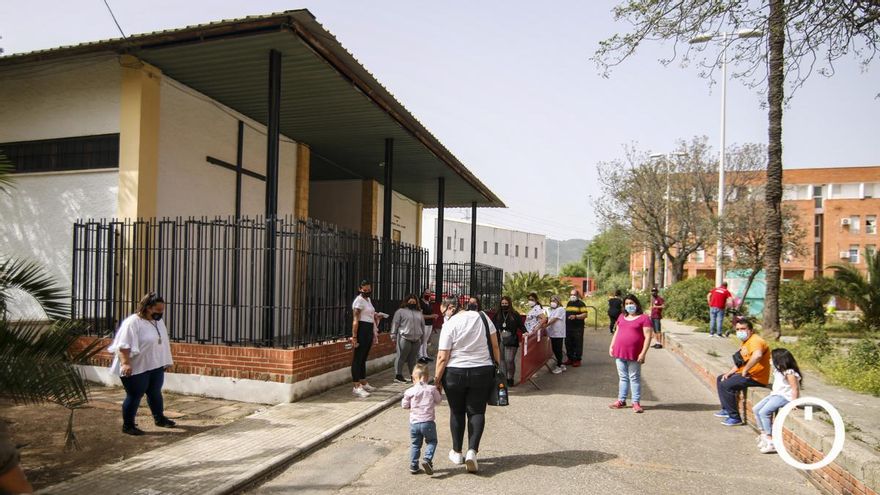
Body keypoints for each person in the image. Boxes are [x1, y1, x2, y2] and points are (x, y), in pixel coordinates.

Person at [434, 295, 501, 473]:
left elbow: (442, 357)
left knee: (456, 411)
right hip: (482, 371)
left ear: (450, 308)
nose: (444, 316)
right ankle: (472, 451)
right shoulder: (483, 317)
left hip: (455, 373)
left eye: (443, 312)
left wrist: (436, 380)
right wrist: (497, 366)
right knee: (477, 411)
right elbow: (495, 345)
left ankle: (457, 452)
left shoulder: (450, 324)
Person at [107, 292, 176, 435]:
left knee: (155, 393)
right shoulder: (132, 322)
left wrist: (165, 360)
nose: (160, 313)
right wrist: (126, 363)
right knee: (135, 395)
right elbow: (123, 345)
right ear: (148, 307)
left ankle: (159, 418)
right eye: (158, 310)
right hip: (136, 367)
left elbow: (161, 341)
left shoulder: (157, 321)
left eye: (162, 310)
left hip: (154, 365)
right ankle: (128, 425)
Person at [714, 319, 771, 426]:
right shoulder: (745, 342)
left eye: (743, 329)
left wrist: (746, 369)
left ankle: (735, 417)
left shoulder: (756, 340)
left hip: (756, 377)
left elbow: (757, 355)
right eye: (738, 329)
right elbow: (740, 361)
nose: (740, 331)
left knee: (726, 385)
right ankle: (726, 409)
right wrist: (729, 372)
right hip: (746, 374)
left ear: (751, 330)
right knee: (721, 378)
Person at [608, 294, 653, 413]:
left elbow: (648, 337)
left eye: (631, 303)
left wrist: (643, 353)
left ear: (636, 304)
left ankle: (636, 402)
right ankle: (621, 400)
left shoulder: (644, 318)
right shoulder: (622, 317)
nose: (629, 306)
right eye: (627, 304)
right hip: (619, 352)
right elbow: (617, 332)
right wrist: (612, 345)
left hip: (634, 353)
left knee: (634, 378)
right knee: (623, 377)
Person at [753, 348, 802, 454]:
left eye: (772, 358)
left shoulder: (789, 372)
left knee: (764, 412)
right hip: (775, 395)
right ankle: (764, 434)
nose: (770, 360)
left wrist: (794, 402)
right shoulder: (778, 370)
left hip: (784, 397)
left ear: (779, 359)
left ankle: (771, 441)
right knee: (756, 409)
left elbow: (795, 388)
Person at [402, 362, 442, 475]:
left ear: (413, 378)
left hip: (414, 424)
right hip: (428, 422)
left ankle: (414, 465)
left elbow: (404, 405)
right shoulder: (431, 389)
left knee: (415, 445)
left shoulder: (410, 391)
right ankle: (427, 459)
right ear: (427, 377)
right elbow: (439, 401)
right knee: (432, 441)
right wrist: (438, 391)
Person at [351, 280, 382, 398]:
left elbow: (369, 314)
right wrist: (354, 336)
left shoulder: (368, 300)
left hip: (369, 328)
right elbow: (355, 319)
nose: (368, 292)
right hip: (361, 329)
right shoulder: (358, 301)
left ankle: (363, 381)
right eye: (365, 290)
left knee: (364, 357)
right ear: (360, 289)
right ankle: (356, 386)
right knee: (358, 358)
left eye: (369, 290)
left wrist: (376, 316)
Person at [492, 296, 525, 386]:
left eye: (506, 303)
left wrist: (525, 332)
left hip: (512, 339)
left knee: (509, 360)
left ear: (509, 304)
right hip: (501, 340)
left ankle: (510, 378)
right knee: (501, 360)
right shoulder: (497, 314)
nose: (504, 305)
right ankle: (504, 379)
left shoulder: (514, 314)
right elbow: (492, 326)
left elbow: (521, 326)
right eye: (502, 304)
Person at [392, 294, 425, 384]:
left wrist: (423, 337)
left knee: (413, 359)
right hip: (404, 337)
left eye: (414, 302)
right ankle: (398, 375)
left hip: (416, 339)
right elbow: (395, 324)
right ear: (406, 302)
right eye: (410, 302)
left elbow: (422, 326)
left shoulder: (419, 312)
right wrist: (393, 335)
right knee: (401, 356)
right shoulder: (400, 312)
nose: (412, 303)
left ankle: (413, 376)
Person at [564, 289, 589, 367]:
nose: (572, 296)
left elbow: (585, 315)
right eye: (571, 295)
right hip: (568, 327)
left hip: (577, 328)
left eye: (574, 295)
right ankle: (570, 358)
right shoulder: (569, 303)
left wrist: (576, 316)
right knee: (568, 343)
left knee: (577, 344)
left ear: (577, 295)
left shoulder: (581, 304)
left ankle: (577, 360)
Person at [546, 295, 567, 374]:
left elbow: (553, 320)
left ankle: (559, 365)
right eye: (551, 301)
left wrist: (545, 326)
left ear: (558, 301)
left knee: (557, 349)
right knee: (556, 349)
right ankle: (561, 364)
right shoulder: (552, 310)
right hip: (552, 333)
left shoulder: (560, 309)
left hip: (558, 333)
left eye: (554, 301)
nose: (552, 302)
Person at [418, 289, 439, 361]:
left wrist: (433, 316)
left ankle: (425, 355)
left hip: (430, 323)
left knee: (426, 340)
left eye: (429, 293)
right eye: (426, 293)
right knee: (422, 339)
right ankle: (420, 355)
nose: (428, 294)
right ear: (423, 293)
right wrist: (432, 316)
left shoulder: (429, 302)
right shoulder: (420, 302)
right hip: (423, 323)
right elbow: (420, 315)